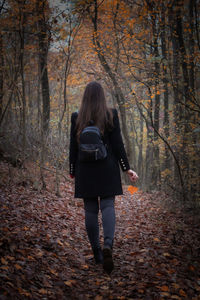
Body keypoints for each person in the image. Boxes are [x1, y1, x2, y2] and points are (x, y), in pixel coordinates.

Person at [69, 81, 138, 274]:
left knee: (90, 210)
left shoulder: (77, 117)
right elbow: (118, 144)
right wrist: (127, 169)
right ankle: (108, 244)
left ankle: (97, 253)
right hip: (107, 168)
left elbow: (73, 146)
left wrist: (72, 169)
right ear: (102, 97)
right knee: (108, 205)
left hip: (85, 170)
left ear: (84, 97)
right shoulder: (111, 114)